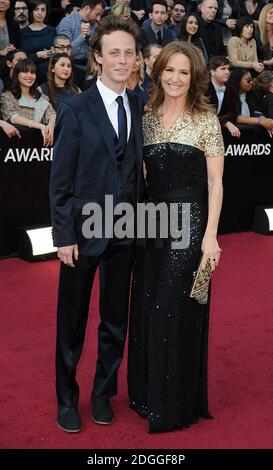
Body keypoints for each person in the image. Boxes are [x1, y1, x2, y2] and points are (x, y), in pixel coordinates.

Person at [50, 15, 145, 433]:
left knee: (114, 320)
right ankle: (67, 400)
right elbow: (61, 181)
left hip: (126, 230)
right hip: (83, 233)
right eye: (114, 52)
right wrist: (64, 235)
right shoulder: (75, 106)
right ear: (99, 57)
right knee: (71, 322)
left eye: (129, 52)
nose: (122, 60)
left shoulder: (141, 104)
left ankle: (103, 392)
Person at [128, 41, 225, 433]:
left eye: (184, 72)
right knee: (148, 306)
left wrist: (211, 237)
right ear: (158, 72)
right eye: (170, 70)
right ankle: (148, 395)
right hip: (153, 226)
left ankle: (175, 404)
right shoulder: (146, 117)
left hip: (191, 223)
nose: (175, 78)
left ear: (194, 77)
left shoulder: (206, 119)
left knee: (171, 308)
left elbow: (217, 183)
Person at [0, 58, 55, 146]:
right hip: (15, 147)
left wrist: (51, 125)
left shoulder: (41, 96)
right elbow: (13, 117)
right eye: (25, 72)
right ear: (17, 74)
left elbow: (52, 114)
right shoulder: (7, 96)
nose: (29, 75)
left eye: (32, 72)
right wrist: (40, 126)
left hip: (40, 147)